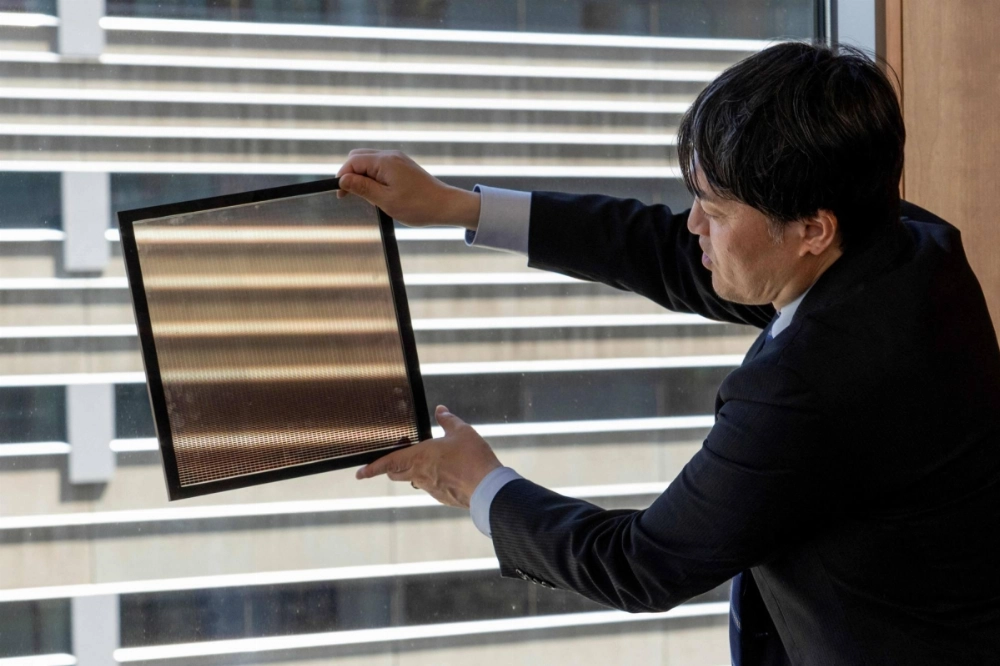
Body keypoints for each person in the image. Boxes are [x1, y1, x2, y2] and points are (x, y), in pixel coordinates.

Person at [343, 42, 1000, 664]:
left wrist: (480, 485)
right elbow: (671, 252)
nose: (692, 223)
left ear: (811, 230)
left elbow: (641, 564)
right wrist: (456, 206)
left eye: (715, 210)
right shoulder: (914, 246)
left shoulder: (808, 386)